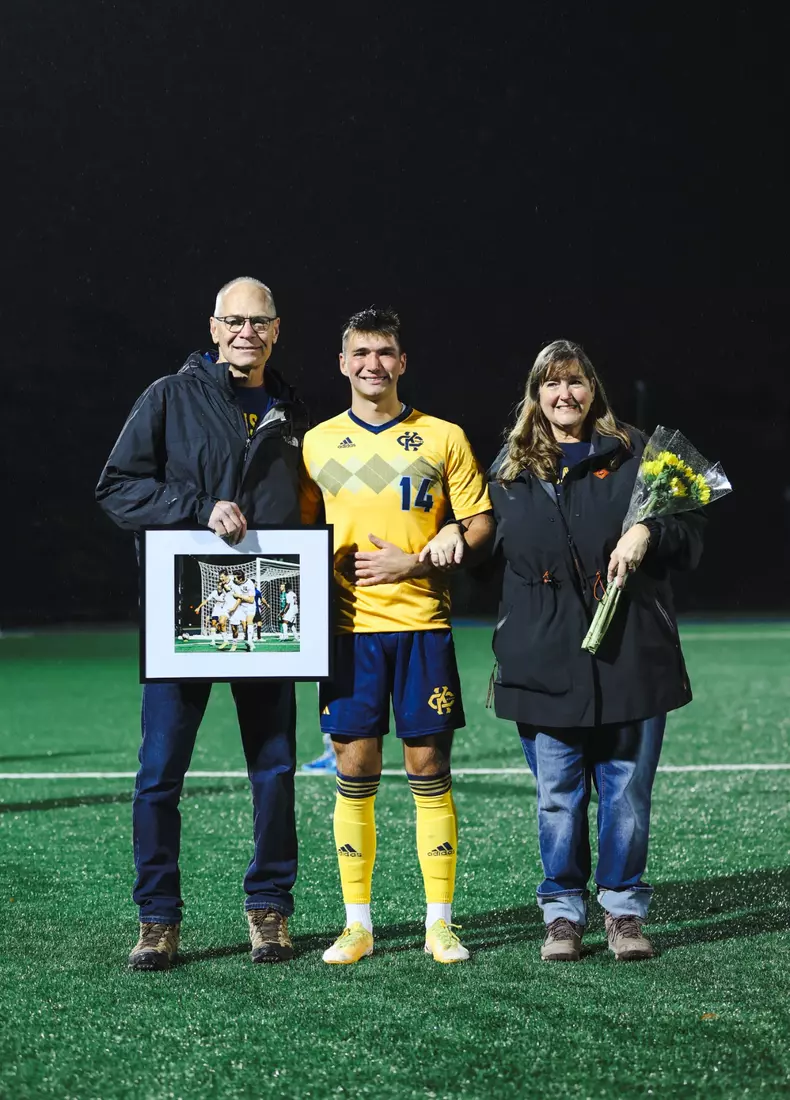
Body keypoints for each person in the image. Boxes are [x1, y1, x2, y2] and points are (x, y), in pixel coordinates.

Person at [96, 277, 305, 969]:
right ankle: (157, 918)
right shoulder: (168, 397)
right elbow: (118, 487)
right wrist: (196, 507)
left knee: (273, 768)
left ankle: (268, 908)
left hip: (271, 599)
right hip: (185, 601)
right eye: (234, 321)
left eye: (259, 322)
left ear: (276, 331)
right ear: (213, 328)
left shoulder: (291, 407)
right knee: (159, 772)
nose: (246, 332)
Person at [484, 339, 705, 962]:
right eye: (551, 384)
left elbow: (690, 539)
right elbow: (483, 550)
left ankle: (624, 911)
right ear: (535, 394)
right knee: (558, 795)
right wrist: (450, 531)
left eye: (575, 382)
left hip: (631, 656)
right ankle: (561, 912)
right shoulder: (508, 467)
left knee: (627, 793)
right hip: (543, 660)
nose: (565, 395)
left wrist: (649, 528)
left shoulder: (639, 453)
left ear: (592, 389)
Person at [300, 306, 494, 965]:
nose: (372, 364)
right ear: (343, 362)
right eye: (361, 353)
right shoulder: (317, 443)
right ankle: (358, 924)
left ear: (402, 362)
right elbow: (296, 532)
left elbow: (481, 524)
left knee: (428, 769)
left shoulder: (442, 437)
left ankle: (440, 922)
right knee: (354, 770)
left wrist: (440, 544)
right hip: (349, 633)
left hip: (422, 628)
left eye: (384, 353)